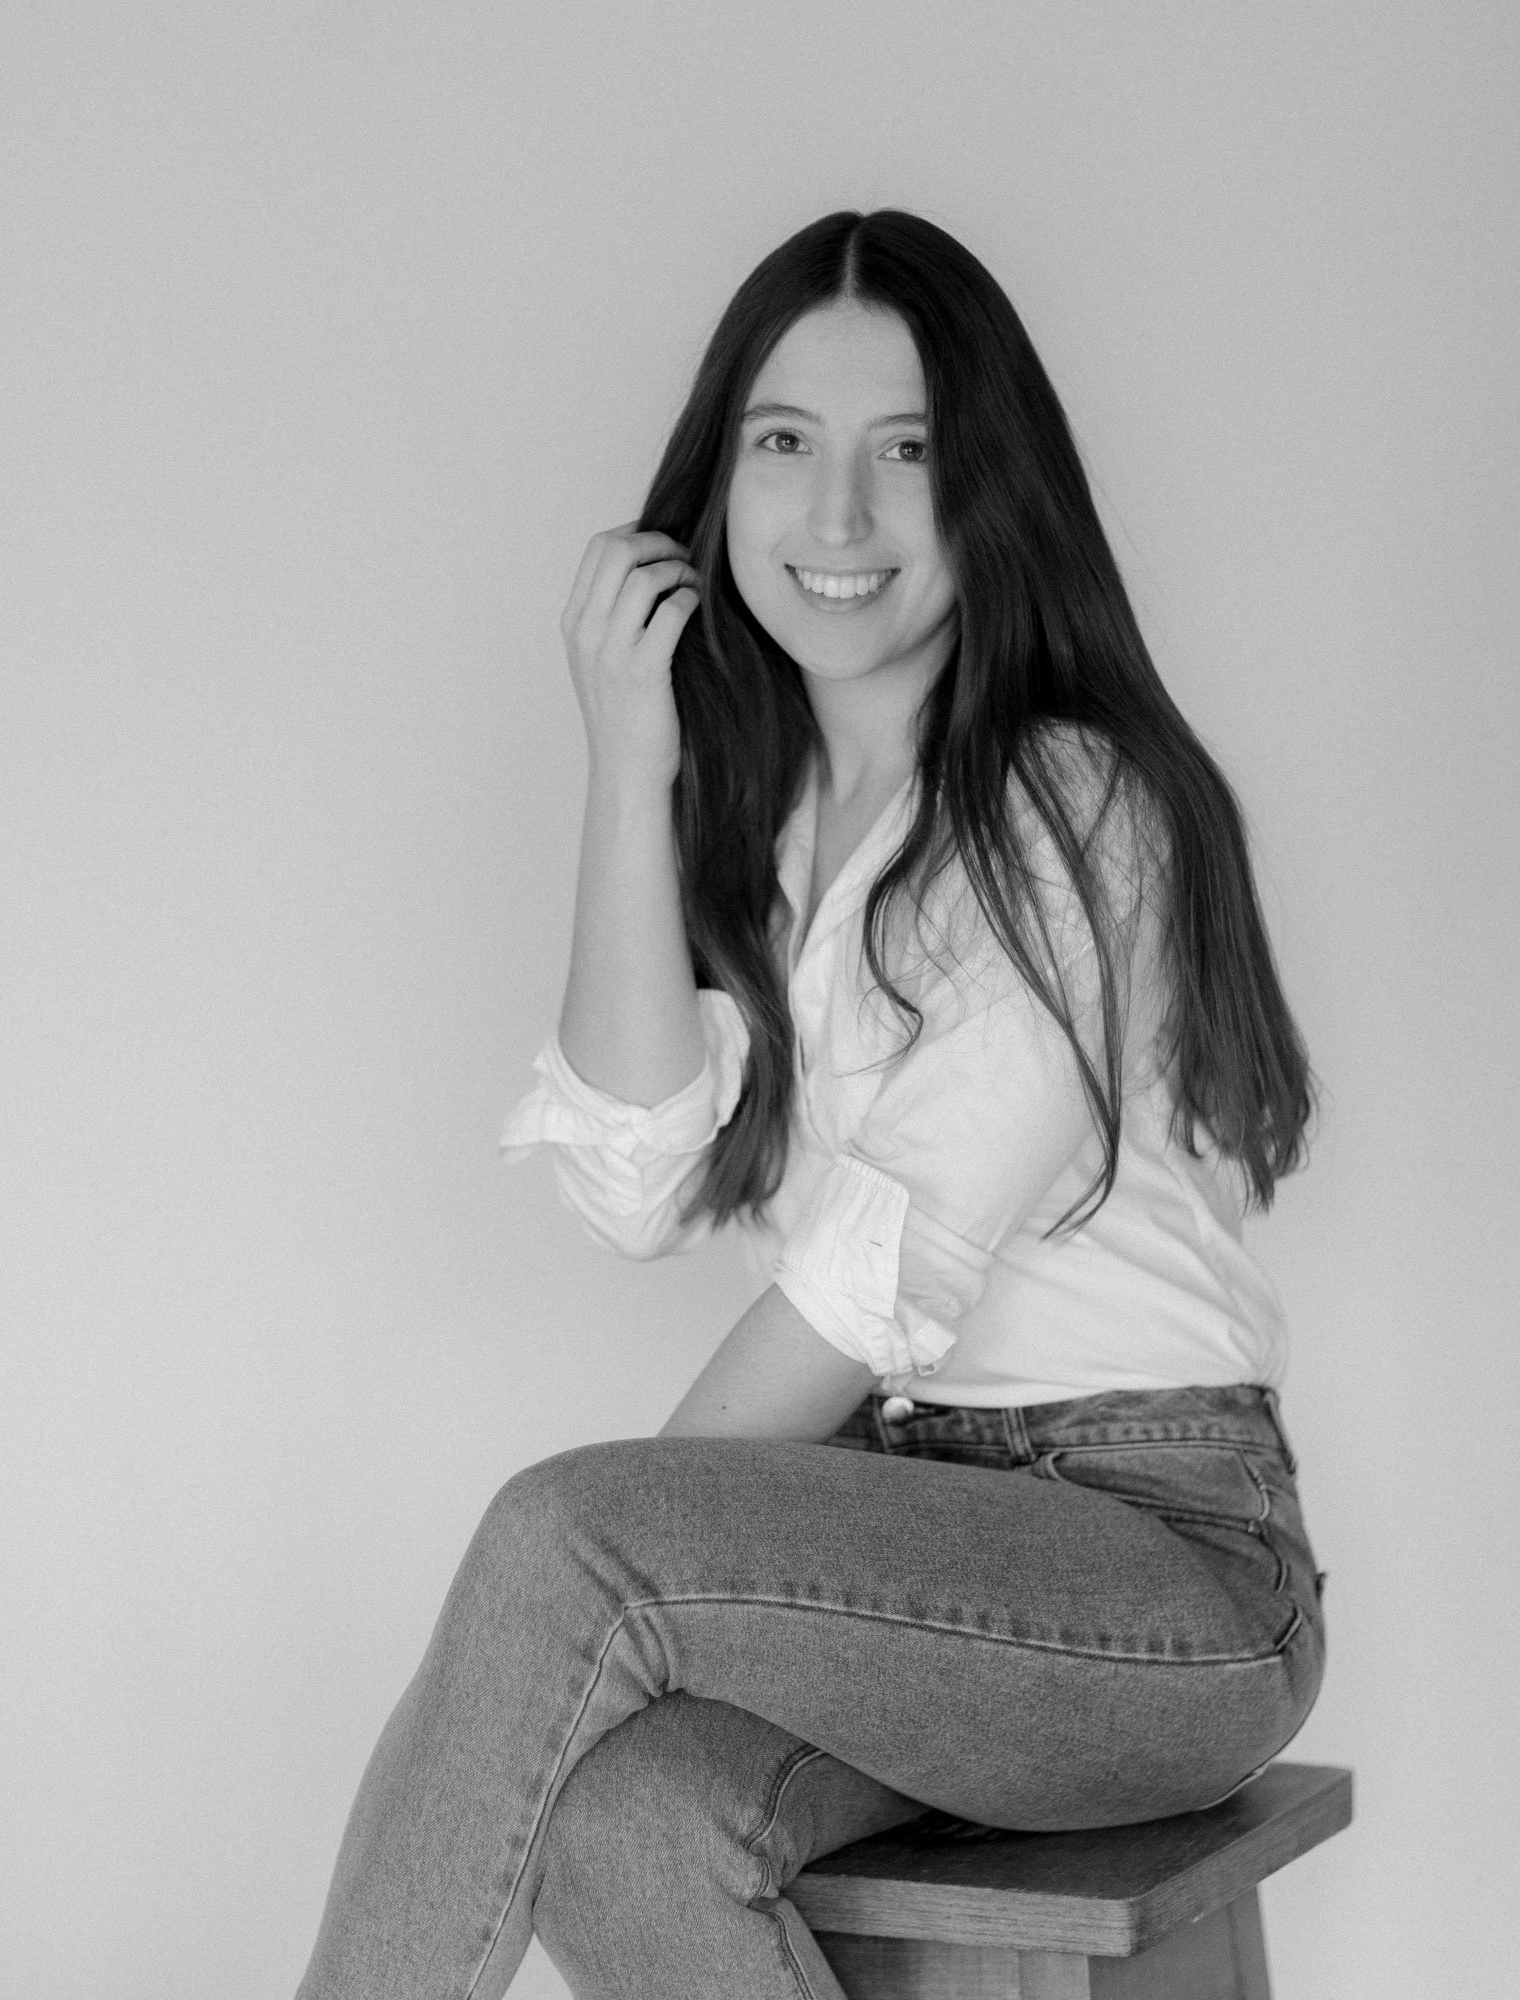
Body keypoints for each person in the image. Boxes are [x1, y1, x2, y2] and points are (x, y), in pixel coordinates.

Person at [296, 209, 1325, 2000]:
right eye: (785, 446)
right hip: (903, 1557)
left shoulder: (1082, 809)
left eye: (907, 452)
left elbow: (872, 1275)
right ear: (720, 484)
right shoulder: (763, 826)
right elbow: (631, 1175)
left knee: (569, 1536)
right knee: (619, 1818)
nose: (834, 519)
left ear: (990, 492)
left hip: (1167, 1577)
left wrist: (624, 1575)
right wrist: (632, 752)